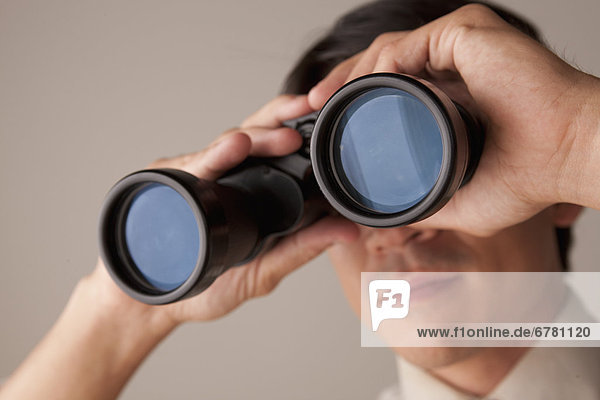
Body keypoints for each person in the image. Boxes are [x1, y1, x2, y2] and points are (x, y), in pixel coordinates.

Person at [1, 0, 600, 398]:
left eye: (413, 179)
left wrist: (576, 140)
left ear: (557, 197)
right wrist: (123, 314)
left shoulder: (571, 149)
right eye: (344, 191)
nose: (391, 230)